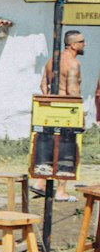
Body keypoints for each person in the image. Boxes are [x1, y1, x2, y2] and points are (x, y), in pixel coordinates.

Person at [34, 31, 84, 199]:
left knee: (48, 145)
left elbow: (43, 85)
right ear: (73, 45)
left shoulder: (51, 62)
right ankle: (61, 191)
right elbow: (72, 91)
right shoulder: (73, 63)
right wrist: (77, 116)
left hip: (48, 110)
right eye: (82, 41)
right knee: (67, 150)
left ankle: (40, 182)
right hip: (66, 112)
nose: (84, 44)